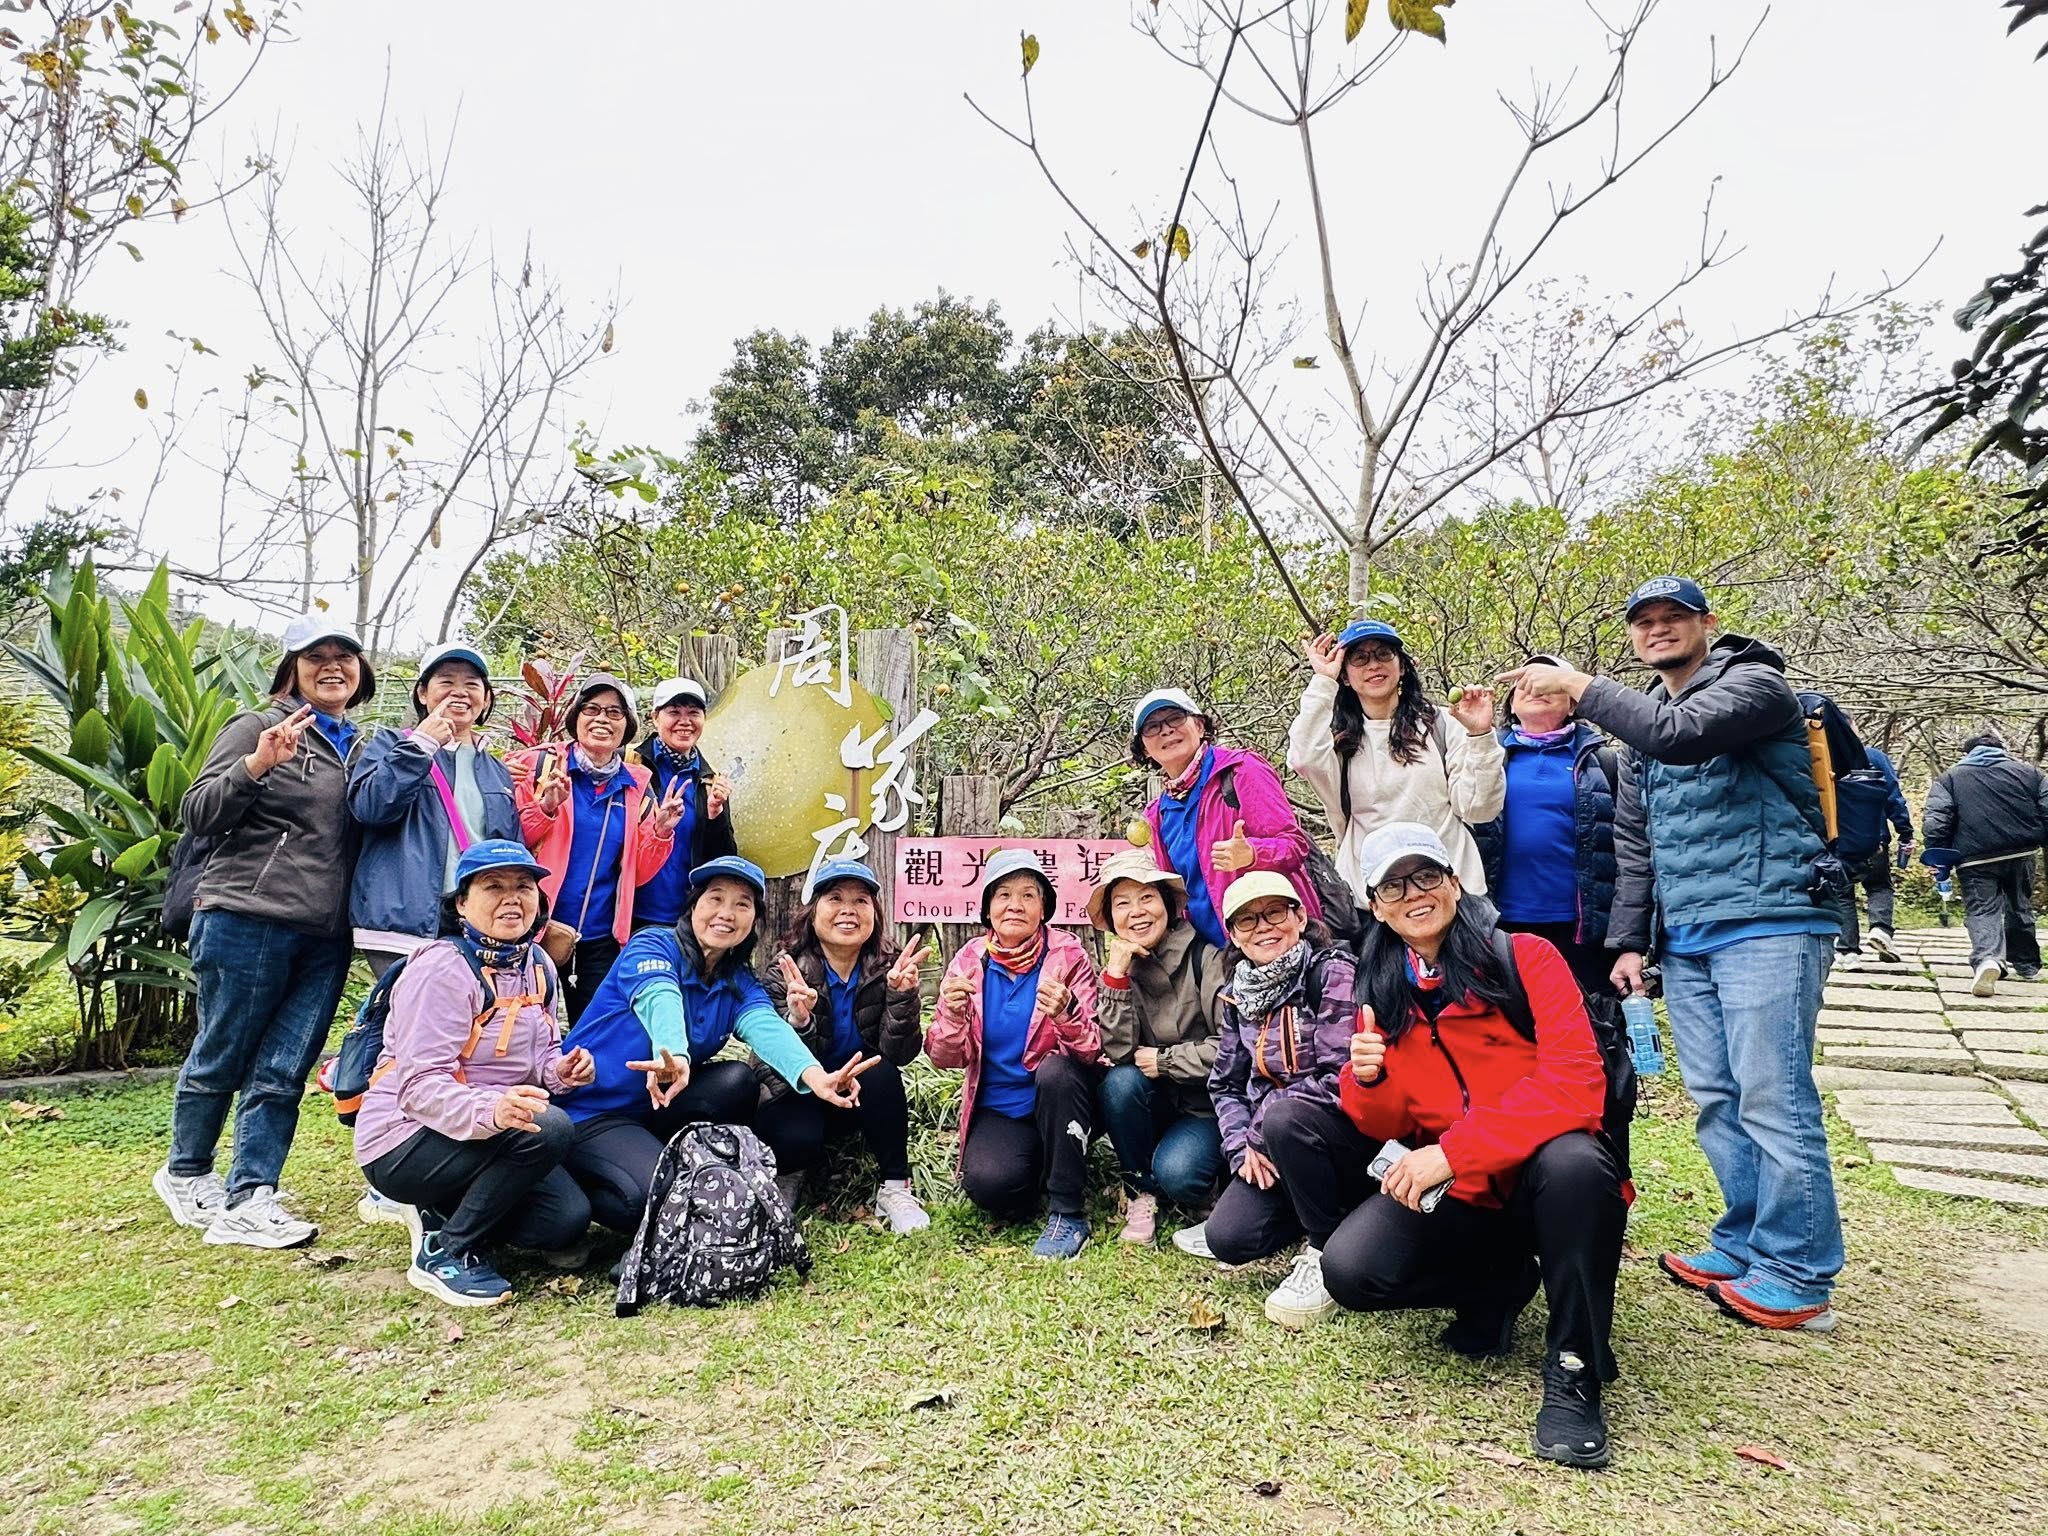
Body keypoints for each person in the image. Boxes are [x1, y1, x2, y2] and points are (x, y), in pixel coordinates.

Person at [1501, 575, 1843, 1333]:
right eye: (1644, 621)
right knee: (1719, 1096)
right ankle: (1745, 1240)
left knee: (1772, 1097)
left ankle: (1798, 1271)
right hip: (1687, 934)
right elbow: (1636, 846)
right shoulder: (1646, 732)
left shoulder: (1755, 686)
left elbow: (1678, 734)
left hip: (1771, 918)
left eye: (1673, 618)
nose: (1658, 630)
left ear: (1706, 624)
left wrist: (1579, 686)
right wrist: (1631, 942)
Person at [1325, 822, 1625, 1471]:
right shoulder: (1382, 987)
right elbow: (1384, 1121)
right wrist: (1365, 1077)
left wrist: (1456, 1151)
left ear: (1455, 884)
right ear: (1376, 904)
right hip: (1462, 1195)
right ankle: (1501, 1284)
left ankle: (1574, 1368)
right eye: (1395, 885)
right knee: (1350, 1270)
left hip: (1537, 1179)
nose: (1414, 893)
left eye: (1426, 875)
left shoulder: (1524, 959)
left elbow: (1576, 1084)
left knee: (1574, 1163)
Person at [153, 614, 375, 1249]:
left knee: (284, 1068)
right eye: (316, 657)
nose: (332, 667)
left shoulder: (359, 746)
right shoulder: (258, 726)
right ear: (293, 667)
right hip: (247, 915)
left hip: (327, 934)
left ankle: (253, 1194)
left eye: (345, 657)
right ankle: (188, 1171)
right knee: (224, 1049)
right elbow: (197, 813)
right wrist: (255, 765)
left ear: (360, 673)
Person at [558, 855, 869, 1237]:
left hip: (653, 1110)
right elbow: (660, 996)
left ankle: (649, 1161)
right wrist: (675, 1055)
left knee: (737, 1079)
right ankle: (571, 1182)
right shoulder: (653, 945)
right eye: (715, 898)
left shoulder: (737, 980)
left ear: (754, 919)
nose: (727, 913)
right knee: (645, 1200)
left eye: (743, 903)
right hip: (590, 1111)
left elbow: (766, 1026)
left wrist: (816, 1077)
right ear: (693, 907)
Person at [353, 840, 594, 1307]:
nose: (512, 898)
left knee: (564, 1220)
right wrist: (495, 1108)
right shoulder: (442, 969)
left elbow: (541, 1056)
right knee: (548, 1128)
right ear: (462, 903)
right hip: (403, 1137)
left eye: (524, 887)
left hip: (488, 1131)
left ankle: (441, 1205)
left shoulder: (538, 964)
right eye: (493, 886)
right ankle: (446, 1250)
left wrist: (562, 1071)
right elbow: (420, 1087)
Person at [1190, 870, 1364, 1331]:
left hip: (1338, 1132)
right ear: (1233, 935)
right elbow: (1225, 1084)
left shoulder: (1331, 973)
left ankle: (1323, 1247)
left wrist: (1260, 1133)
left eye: (1274, 913)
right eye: (1246, 921)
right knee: (1228, 1238)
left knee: (1286, 1116)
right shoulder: (1238, 996)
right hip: (1271, 1143)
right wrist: (1240, 1151)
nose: (1263, 927)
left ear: (1299, 916)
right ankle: (1324, 1210)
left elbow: (1338, 1076)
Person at [926, 849, 1103, 1260]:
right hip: (1001, 1108)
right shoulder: (970, 959)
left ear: (1044, 908)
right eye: (1003, 894)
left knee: (1056, 1070)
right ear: (988, 907)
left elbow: (1093, 1049)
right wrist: (952, 1014)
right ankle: (1046, 1164)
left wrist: (1067, 1013)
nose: (1015, 905)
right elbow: (943, 1056)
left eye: (1028, 895)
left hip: (1056, 1097)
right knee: (991, 1186)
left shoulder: (1067, 955)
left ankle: (1067, 1211)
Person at [756, 858, 931, 1234]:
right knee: (798, 1135)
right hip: (800, 1095)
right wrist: (799, 1020)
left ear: (874, 914)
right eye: (835, 898)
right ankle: (788, 1174)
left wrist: (902, 998)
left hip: (857, 1095)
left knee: (882, 1071)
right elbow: (770, 1065)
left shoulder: (887, 968)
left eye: (861, 901)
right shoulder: (785, 971)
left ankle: (895, 1187)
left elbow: (899, 1055)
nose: (848, 910)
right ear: (813, 911)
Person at [1288, 619, 1503, 917]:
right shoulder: (1340, 742)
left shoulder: (1442, 724)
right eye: (1359, 658)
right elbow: (1302, 758)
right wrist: (1324, 681)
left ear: (1402, 666)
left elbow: (1480, 809)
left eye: (1383, 654)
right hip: (1373, 903)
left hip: (1452, 896)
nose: (1373, 665)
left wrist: (1480, 736)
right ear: (1345, 676)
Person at [509, 673, 687, 1020]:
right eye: (591, 709)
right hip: (529, 926)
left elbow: (637, 873)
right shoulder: (538, 766)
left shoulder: (638, 789)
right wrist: (544, 808)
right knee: (516, 1027)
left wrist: (662, 831)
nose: (602, 719)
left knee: (591, 1033)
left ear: (628, 725)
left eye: (614, 712)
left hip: (598, 937)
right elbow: (509, 841)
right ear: (576, 717)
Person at [350, 641, 519, 977]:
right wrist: (420, 747)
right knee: (407, 1024)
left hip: (473, 923)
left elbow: (507, 848)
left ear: (486, 699)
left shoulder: (497, 770)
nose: (460, 692)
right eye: (446, 681)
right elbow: (370, 808)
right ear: (423, 694)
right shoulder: (390, 744)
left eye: (472, 684)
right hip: (403, 924)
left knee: (466, 1026)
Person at [1088, 848, 1225, 1245]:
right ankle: (1139, 1192)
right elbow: (1117, 1053)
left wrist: (1167, 1061)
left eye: (1147, 897)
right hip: (1157, 1104)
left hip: (1206, 1109)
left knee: (1179, 1175)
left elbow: (1233, 1048)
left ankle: (1207, 1180)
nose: (1137, 912)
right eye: (1122, 903)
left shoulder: (1205, 958)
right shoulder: (1122, 965)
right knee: (1119, 1083)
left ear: (1167, 904)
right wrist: (1114, 979)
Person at [1471, 653, 1619, 999]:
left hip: (1582, 929)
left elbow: (1629, 846)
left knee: (1588, 1030)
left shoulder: (1602, 762)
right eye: (1526, 683)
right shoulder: (1484, 755)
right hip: (1499, 924)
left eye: (1550, 682)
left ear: (1572, 703)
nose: (1537, 688)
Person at [1132, 686, 1320, 951]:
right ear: (1144, 748)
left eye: (1175, 718)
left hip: (1277, 940)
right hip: (1218, 958)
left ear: (1199, 726)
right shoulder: (1158, 814)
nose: (1165, 730)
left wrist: (1254, 854)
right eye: (1152, 727)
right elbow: (1175, 899)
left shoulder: (1241, 770)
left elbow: (1294, 845)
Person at [1924, 729, 2048, 996]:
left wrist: (1937, 855)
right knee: (2019, 905)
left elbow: (1937, 821)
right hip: (2021, 852)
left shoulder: (1950, 778)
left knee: (1983, 910)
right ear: (2002, 749)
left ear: (1967, 753)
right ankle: (2026, 964)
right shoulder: (2031, 774)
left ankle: (1989, 959)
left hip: (1973, 857)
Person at [631, 676, 740, 932]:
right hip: (629, 914)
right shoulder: (630, 766)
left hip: (687, 919)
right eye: (674, 712)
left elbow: (722, 860)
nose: (685, 721)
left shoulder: (708, 780)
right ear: (655, 717)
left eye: (693, 712)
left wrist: (715, 815)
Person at [1828, 736, 1915, 966]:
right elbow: (1893, 795)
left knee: (1842, 894)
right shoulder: (1874, 757)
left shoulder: (1821, 756)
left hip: (1836, 841)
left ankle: (1848, 952)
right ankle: (1880, 928)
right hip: (1874, 838)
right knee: (1879, 886)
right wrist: (1905, 831)